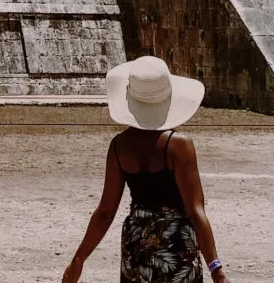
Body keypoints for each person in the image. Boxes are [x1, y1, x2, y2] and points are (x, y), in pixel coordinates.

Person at [62, 56, 230, 283]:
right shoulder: (178, 146)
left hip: (136, 241)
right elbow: (195, 210)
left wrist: (78, 259)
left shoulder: (119, 147)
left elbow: (105, 212)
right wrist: (216, 269)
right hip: (174, 241)